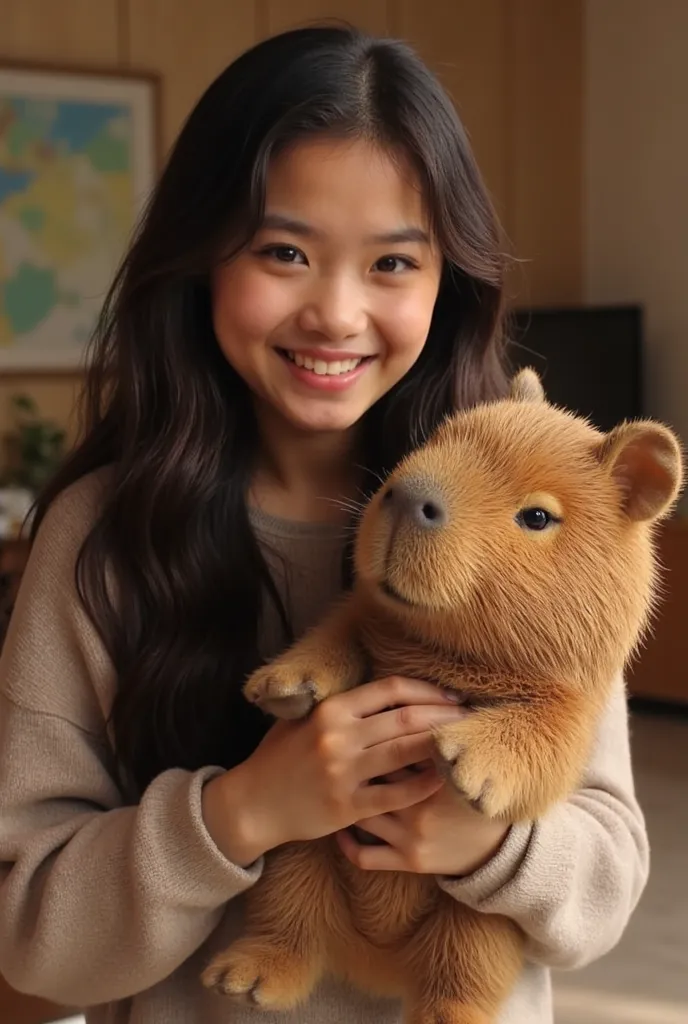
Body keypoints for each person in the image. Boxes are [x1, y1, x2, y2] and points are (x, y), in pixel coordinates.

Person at [0, 24, 648, 1024]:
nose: (337, 313)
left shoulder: (540, 529)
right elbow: (29, 942)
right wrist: (247, 809)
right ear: (204, 257)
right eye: (285, 252)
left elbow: (605, 877)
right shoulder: (100, 539)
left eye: (392, 263)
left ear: (447, 280)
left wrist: (489, 843)